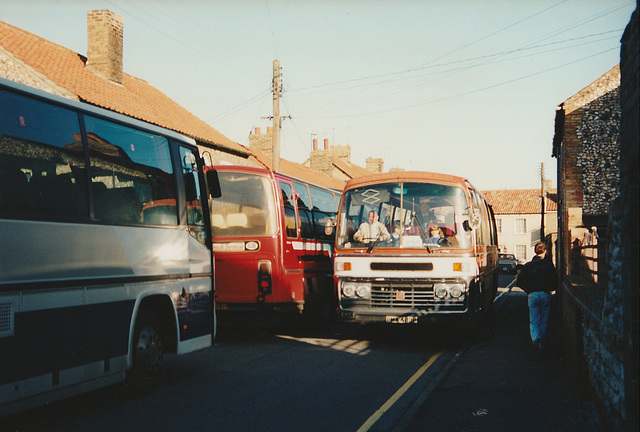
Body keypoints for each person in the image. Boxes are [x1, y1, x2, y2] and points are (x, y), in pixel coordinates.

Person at [516, 241, 558, 354]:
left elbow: (519, 281)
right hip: (545, 294)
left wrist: (527, 289)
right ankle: (541, 344)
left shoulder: (528, 266)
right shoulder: (549, 265)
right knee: (543, 321)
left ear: (535, 251)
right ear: (545, 251)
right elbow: (555, 281)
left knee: (534, 320)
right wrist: (551, 289)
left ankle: (535, 339)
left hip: (532, 294)